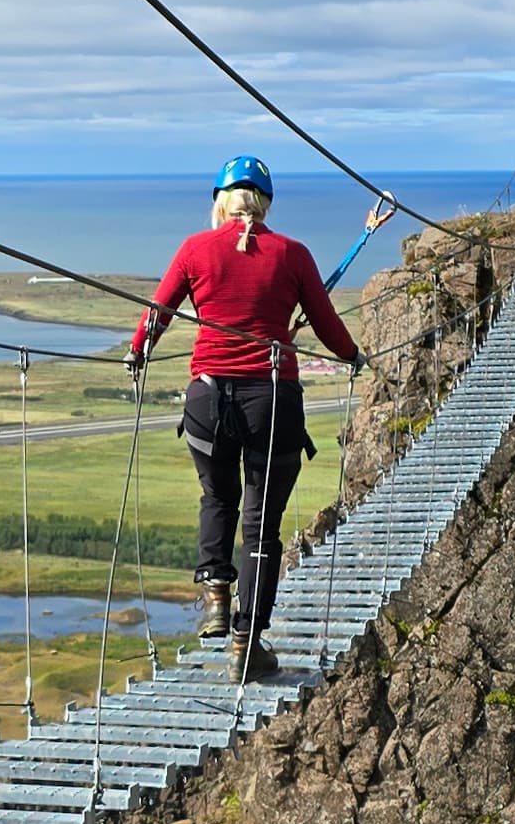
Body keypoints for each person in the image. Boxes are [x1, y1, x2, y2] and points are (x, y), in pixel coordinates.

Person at [126, 155, 365, 682]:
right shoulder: (293, 254)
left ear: (221, 201)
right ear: (266, 204)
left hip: (207, 401)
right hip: (272, 401)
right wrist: (352, 356)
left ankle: (215, 597)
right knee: (261, 529)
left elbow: (159, 310)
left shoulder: (194, 249)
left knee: (217, 498)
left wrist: (138, 348)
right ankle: (245, 645)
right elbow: (325, 323)